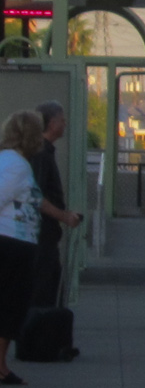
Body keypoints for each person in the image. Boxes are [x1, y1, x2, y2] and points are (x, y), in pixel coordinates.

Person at [0, 108, 80, 384]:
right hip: (11, 243)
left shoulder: (17, 162)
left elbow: (35, 198)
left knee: (13, 305)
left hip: (18, 242)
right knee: (10, 305)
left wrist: (65, 217)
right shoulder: (15, 165)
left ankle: (1, 365)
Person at [29, 101, 69, 312]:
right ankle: (38, 340)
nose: (65, 124)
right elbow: (36, 197)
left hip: (46, 237)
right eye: (62, 120)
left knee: (51, 291)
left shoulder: (43, 153)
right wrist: (64, 216)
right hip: (41, 237)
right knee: (44, 295)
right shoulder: (41, 155)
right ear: (52, 123)